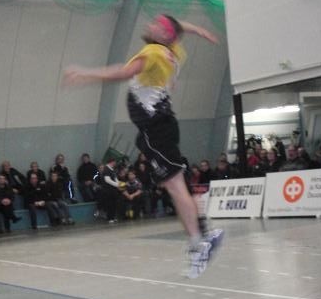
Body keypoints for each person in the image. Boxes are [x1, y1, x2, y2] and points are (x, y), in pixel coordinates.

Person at [64, 14, 223, 277]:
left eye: (157, 25)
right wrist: (197, 30)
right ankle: (205, 233)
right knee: (178, 185)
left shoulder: (153, 52)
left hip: (155, 130)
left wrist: (85, 73)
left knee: (175, 187)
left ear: (165, 35)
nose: (150, 26)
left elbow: (122, 72)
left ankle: (199, 245)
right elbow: (178, 27)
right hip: (164, 127)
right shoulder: (173, 52)